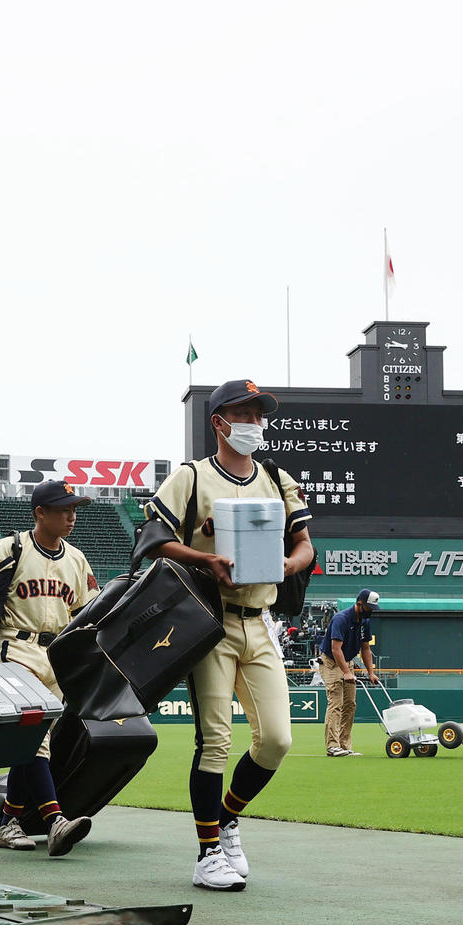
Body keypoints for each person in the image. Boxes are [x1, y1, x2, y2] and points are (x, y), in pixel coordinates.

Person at [143, 378, 313, 892]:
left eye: (260, 415)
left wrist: (287, 564)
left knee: (277, 741)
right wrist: (205, 558)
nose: (256, 423)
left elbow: (305, 545)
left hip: (260, 620)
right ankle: (207, 853)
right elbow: (153, 539)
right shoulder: (191, 477)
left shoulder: (277, 478)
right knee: (215, 740)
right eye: (245, 414)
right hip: (209, 622)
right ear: (219, 422)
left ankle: (227, 816)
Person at [0, 479, 99, 857]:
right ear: (40, 512)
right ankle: (55, 820)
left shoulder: (76, 559)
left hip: (56, 655)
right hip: (15, 649)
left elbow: (84, 616)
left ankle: (7, 822)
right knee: (35, 741)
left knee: (31, 746)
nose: (72, 516)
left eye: (74, 509)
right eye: (63, 509)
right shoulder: (11, 547)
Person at [319, 589, 381, 757]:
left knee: (350, 705)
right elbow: (335, 648)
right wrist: (346, 672)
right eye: (369, 607)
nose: (371, 611)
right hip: (331, 662)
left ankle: (344, 745)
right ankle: (332, 746)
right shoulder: (341, 619)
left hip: (348, 662)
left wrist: (371, 673)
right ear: (359, 603)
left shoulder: (365, 621)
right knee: (336, 703)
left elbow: (366, 648)